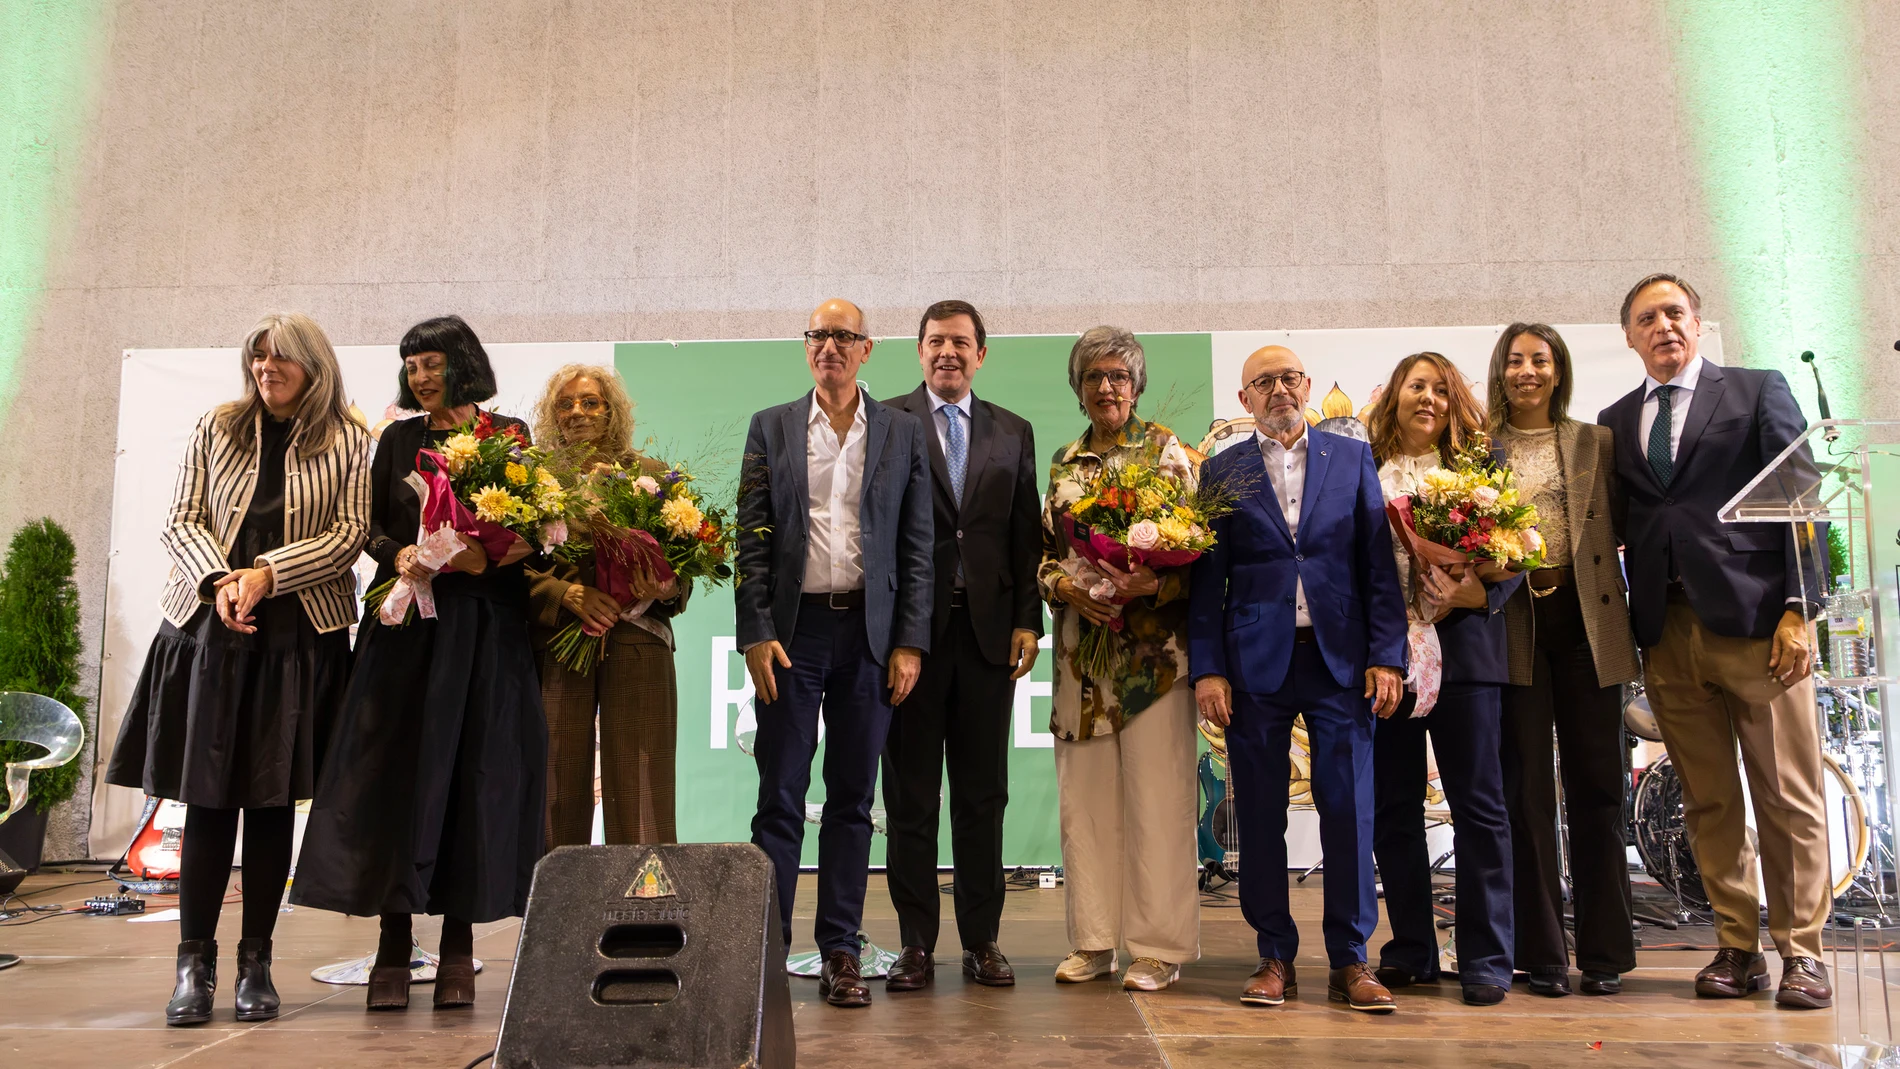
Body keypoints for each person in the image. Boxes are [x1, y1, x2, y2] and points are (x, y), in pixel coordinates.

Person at [108, 313, 371, 1026]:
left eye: (280, 359)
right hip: (209, 633)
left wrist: (266, 575)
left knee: (271, 804)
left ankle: (257, 960)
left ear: (313, 367)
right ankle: (194, 963)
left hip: (296, 638)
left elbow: (347, 535)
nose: (265, 369)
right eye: (257, 358)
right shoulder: (216, 425)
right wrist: (223, 580)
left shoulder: (349, 438)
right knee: (207, 800)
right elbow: (179, 518)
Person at [290, 315, 548, 1013]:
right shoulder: (398, 438)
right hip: (405, 630)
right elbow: (371, 524)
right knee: (395, 783)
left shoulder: (509, 436)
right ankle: (394, 945)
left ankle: (461, 948)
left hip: (483, 634)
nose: (420, 375)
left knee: (470, 781)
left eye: (431, 362)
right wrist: (397, 553)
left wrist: (484, 554)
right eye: (411, 364)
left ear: (462, 363)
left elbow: (537, 529)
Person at [1599, 273, 1832, 1008]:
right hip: (1666, 634)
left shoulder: (1757, 391)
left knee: (1787, 797)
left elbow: (1803, 500)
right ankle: (1738, 946)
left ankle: (1804, 952)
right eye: (1647, 318)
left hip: (1760, 627)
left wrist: (1801, 607)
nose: (1663, 326)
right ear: (1630, 336)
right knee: (1706, 800)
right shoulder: (1613, 419)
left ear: (1697, 323)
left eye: (1675, 312)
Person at [1189, 344, 1408, 1013]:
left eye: (1288, 377)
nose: (1279, 389)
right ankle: (1273, 955)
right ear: (1244, 398)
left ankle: (1351, 959)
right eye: (1264, 381)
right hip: (1254, 665)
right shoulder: (1222, 470)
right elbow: (1207, 582)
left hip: (1340, 659)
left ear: (1308, 386)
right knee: (1258, 814)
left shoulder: (1352, 457)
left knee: (1348, 810)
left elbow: (1377, 565)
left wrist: (1387, 654)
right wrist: (1208, 669)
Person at [736, 298, 933, 1008]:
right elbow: (751, 537)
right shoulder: (772, 426)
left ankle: (841, 951)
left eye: (843, 336)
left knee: (853, 800)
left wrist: (910, 639)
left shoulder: (901, 431)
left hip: (871, 639)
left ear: (867, 349)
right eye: (819, 335)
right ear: (807, 346)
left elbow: (918, 544)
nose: (830, 347)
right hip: (794, 634)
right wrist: (755, 631)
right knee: (779, 796)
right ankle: (765, 948)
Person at [879, 301, 1042, 991]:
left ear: (982, 354)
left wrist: (1028, 619)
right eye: (936, 341)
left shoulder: (1013, 430)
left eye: (962, 342)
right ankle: (916, 944)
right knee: (911, 797)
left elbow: (1024, 534)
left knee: (983, 796)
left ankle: (983, 942)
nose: (949, 352)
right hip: (907, 643)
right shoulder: (884, 423)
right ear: (918, 350)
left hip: (986, 640)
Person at [1040, 326, 1201, 993]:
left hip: (1153, 661)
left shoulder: (1168, 453)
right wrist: (1067, 585)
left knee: (1158, 804)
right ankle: (1094, 940)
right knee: (1087, 803)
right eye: (1093, 377)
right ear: (1079, 390)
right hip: (1084, 663)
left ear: (1134, 384)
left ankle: (1158, 946)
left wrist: (1152, 582)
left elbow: (1200, 553)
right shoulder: (1064, 461)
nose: (1106, 387)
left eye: (1117, 375)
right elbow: (1044, 557)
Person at [1486, 324, 1641, 997]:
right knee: (1525, 792)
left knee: (1599, 786)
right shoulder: (1476, 447)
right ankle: (1541, 952)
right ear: (1501, 370)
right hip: (1514, 622)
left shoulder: (1595, 441)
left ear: (1558, 371)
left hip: (1588, 621)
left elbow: (1629, 526)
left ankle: (1604, 951)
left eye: (1539, 360)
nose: (1527, 371)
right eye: (1516, 360)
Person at [1364, 351, 1521, 1007]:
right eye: (1414, 385)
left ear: (1454, 401)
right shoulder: (1362, 473)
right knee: (1394, 810)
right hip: (1387, 657)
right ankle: (1411, 950)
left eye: (1439, 388)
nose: (1427, 397)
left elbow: (1514, 556)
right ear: (1393, 396)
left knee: (1478, 809)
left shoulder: (1480, 474)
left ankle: (1486, 956)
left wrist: (1473, 595)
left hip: (1466, 656)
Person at [526, 364, 685, 849]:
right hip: (559, 644)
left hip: (639, 640)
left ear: (612, 410)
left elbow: (684, 572)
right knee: (555, 786)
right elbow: (507, 568)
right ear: (552, 415)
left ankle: (647, 913)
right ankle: (557, 913)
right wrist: (564, 593)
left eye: (591, 402)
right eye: (566, 403)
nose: (578, 412)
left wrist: (665, 588)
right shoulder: (531, 480)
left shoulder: (654, 477)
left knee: (643, 786)